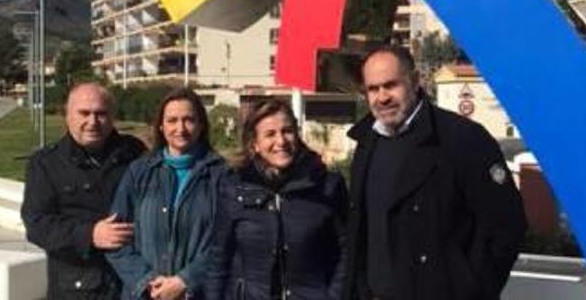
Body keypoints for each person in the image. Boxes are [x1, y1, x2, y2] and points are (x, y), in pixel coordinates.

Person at [342, 46, 526, 300]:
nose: (382, 97)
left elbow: (506, 226)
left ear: (415, 81)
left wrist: (471, 290)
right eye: (373, 89)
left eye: (391, 85)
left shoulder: (462, 139)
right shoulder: (366, 143)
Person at [205, 100, 349, 300]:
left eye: (287, 131)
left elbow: (345, 254)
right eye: (270, 134)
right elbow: (219, 258)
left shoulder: (326, 186)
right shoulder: (234, 187)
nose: (281, 141)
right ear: (255, 144)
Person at [21, 82, 147, 299]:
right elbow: (37, 225)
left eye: (101, 114)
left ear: (112, 116)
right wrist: (90, 234)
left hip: (133, 283)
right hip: (77, 288)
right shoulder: (46, 163)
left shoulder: (134, 153)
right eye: (84, 113)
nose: (92, 122)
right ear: (68, 116)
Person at [107, 88, 226, 300]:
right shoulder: (139, 172)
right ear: (161, 126)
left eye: (188, 120)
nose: (180, 128)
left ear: (201, 125)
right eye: (172, 120)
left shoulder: (222, 175)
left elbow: (227, 240)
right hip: (145, 295)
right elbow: (116, 239)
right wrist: (148, 282)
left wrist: (186, 281)